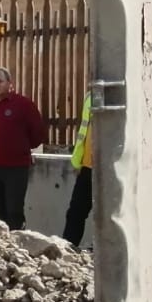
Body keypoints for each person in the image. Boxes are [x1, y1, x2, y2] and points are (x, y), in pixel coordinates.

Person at [0, 66, 45, 231]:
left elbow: (38, 133)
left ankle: (17, 247)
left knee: (14, 211)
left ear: (9, 83)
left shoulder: (23, 104)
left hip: (16, 167)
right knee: (0, 212)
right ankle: (3, 247)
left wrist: (22, 149)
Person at [62, 93, 93, 246]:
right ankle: (68, 250)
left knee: (108, 217)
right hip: (87, 167)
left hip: (110, 169)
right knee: (75, 213)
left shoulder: (120, 94)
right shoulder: (90, 97)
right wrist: (78, 162)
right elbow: (84, 132)